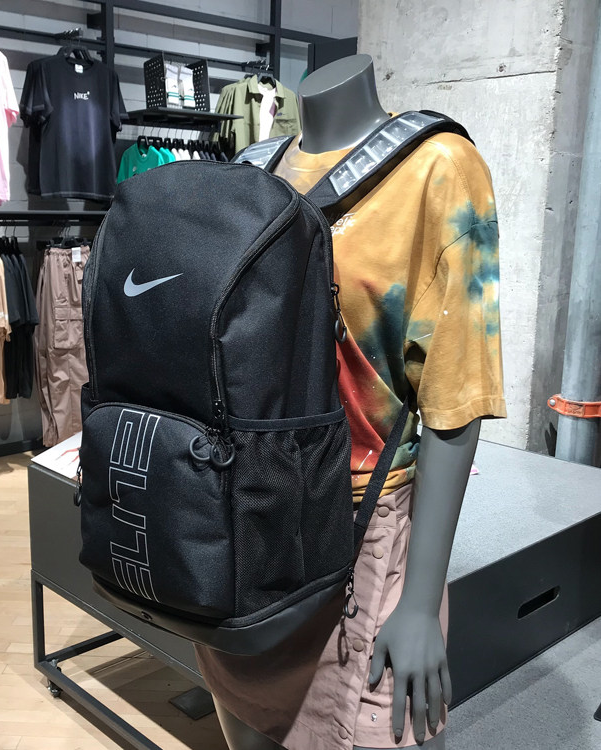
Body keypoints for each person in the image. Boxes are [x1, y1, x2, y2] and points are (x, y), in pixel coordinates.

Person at [195, 54, 506, 750]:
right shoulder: (251, 171)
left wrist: (420, 602)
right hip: (247, 531)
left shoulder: (438, 169)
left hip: (363, 539)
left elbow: (454, 402)